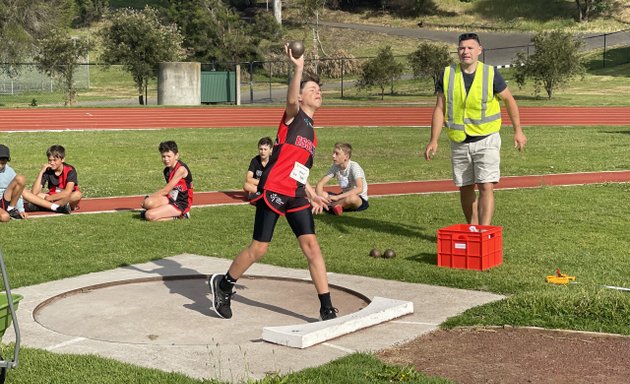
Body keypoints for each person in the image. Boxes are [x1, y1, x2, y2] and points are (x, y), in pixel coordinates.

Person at [208, 43, 338, 321]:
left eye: (319, 89)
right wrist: (298, 68)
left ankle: (326, 307)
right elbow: (290, 101)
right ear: (301, 97)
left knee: (312, 247)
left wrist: (312, 193)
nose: (318, 92)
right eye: (311, 89)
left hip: (295, 195)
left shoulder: (313, 135)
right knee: (260, 248)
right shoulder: (293, 117)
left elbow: (299, 171)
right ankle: (225, 284)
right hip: (274, 191)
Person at [423, 32, 527, 225]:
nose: (466, 52)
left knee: (486, 185)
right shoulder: (447, 74)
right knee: (465, 187)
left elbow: (509, 101)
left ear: (479, 50)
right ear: (457, 51)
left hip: (486, 139)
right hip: (459, 141)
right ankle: (473, 227)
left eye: (470, 48)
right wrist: (433, 140)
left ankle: (484, 230)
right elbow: (440, 108)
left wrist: (518, 131)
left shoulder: (490, 73)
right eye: (462, 48)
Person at [1, 144, 71, 221]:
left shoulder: (10, 171)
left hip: (6, 199)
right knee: (5, 217)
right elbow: (34, 192)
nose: (0, 166)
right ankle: (46, 206)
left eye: (3, 163)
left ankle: (56, 207)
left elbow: (19, 192)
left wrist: (21, 210)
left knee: (21, 181)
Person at [141, 141, 194, 221]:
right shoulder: (166, 170)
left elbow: (166, 190)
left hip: (181, 203)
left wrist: (150, 196)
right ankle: (163, 211)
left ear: (176, 156)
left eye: (169, 156)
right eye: (163, 156)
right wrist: (148, 200)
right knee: (148, 203)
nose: (166, 159)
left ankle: (181, 215)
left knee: (149, 215)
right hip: (171, 198)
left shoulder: (181, 169)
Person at [316, 142, 369, 216]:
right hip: (343, 196)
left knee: (352, 199)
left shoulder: (354, 166)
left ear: (346, 157)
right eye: (333, 153)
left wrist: (337, 197)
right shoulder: (335, 166)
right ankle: (334, 206)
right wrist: (319, 199)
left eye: (337, 153)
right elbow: (320, 184)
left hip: (359, 198)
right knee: (323, 194)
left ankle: (330, 206)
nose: (333, 156)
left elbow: (359, 189)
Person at [28, 145, 82, 213]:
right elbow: (34, 192)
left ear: (62, 159)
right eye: (50, 160)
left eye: (55, 160)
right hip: (53, 197)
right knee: (28, 193)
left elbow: (67, 192)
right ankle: (57, 207)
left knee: (77, 195)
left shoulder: (70, 170)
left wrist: (49, 198)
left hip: (65, 198)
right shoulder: (47, 170)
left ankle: (46, 206)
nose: (52, 163)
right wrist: (41, 172)